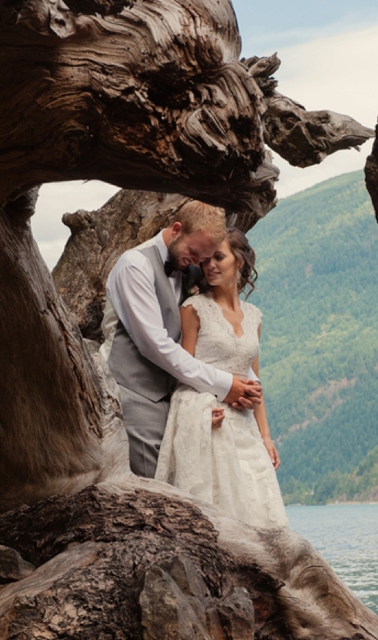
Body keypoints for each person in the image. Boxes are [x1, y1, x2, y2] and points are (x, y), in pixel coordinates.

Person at [101, 201, 262, 478]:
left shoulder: (192, 268)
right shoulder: (135, 265)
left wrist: (242, 386)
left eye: (206, 258)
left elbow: (219, 334)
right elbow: (156, 346)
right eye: (195, 253)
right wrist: (224, 385)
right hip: (135, 396)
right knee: (152, 491)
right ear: (176, 229)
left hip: (180, 403)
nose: (200, 264)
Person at [155, 229, 288, 529]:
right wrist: (201, 414)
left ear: (239, 261)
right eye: (206, 260)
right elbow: (182, 372)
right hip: (213, 425)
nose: (210, 266)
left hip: (247, 431)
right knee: (224, 522)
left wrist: (266, 437)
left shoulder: (254, 316)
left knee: (261, 515)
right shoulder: (193, 309)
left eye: (219, 257)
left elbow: (254, 381)